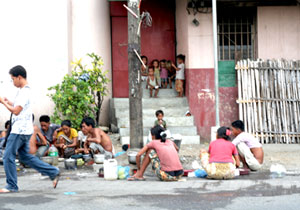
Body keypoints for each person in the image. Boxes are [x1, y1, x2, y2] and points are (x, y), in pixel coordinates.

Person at [0, 65, 59, 193]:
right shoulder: (23, 90)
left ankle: (11, 185)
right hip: (25, 130)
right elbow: (19, 106)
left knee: (7, 156)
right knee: (25, 157)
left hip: (19, 130)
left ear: (19, 77)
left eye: (13, 79)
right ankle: (53, 171)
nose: (12, 82)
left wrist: (3, 103)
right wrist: (8, 101)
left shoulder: (24, 92)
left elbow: (16, 111)